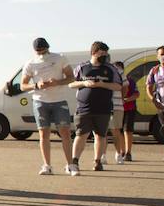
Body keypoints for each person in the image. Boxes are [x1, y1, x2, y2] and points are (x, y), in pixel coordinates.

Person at [20, 37, 76, 175]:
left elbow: (71, 77)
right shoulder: (30, 63)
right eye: (38, 51)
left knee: (65, 133)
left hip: (59, 100)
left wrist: (57, 82)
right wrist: (36, 85)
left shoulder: (60, 58)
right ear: (34, 50)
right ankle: (47, 165)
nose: (41, 53)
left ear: (48, 47)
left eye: (43, 50)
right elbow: (23, 85)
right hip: (40, 101)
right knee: (43, 134)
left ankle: (70, 165)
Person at [69, 41, 123, 172]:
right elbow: (71, 84)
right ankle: (74, 162)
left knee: (100, 135)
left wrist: (101, 84)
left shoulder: (110, 68)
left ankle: (97, 161)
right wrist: (84, 83)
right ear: (94, 52)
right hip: (84, 108)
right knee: (81, 134)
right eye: (102, 53)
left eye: (106, 53)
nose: (105, 55)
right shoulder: (82, 67)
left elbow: (118, 86)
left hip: (103, 108)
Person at [117, 61, 139, 162]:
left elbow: (136, 94)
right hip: (118, 109)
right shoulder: (113, 82)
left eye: (119, 68)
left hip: (129, 109)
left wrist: (126, 100)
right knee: (119, 131)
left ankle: (128, 152)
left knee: (128, 130)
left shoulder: (130, 81)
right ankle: (122, 151)